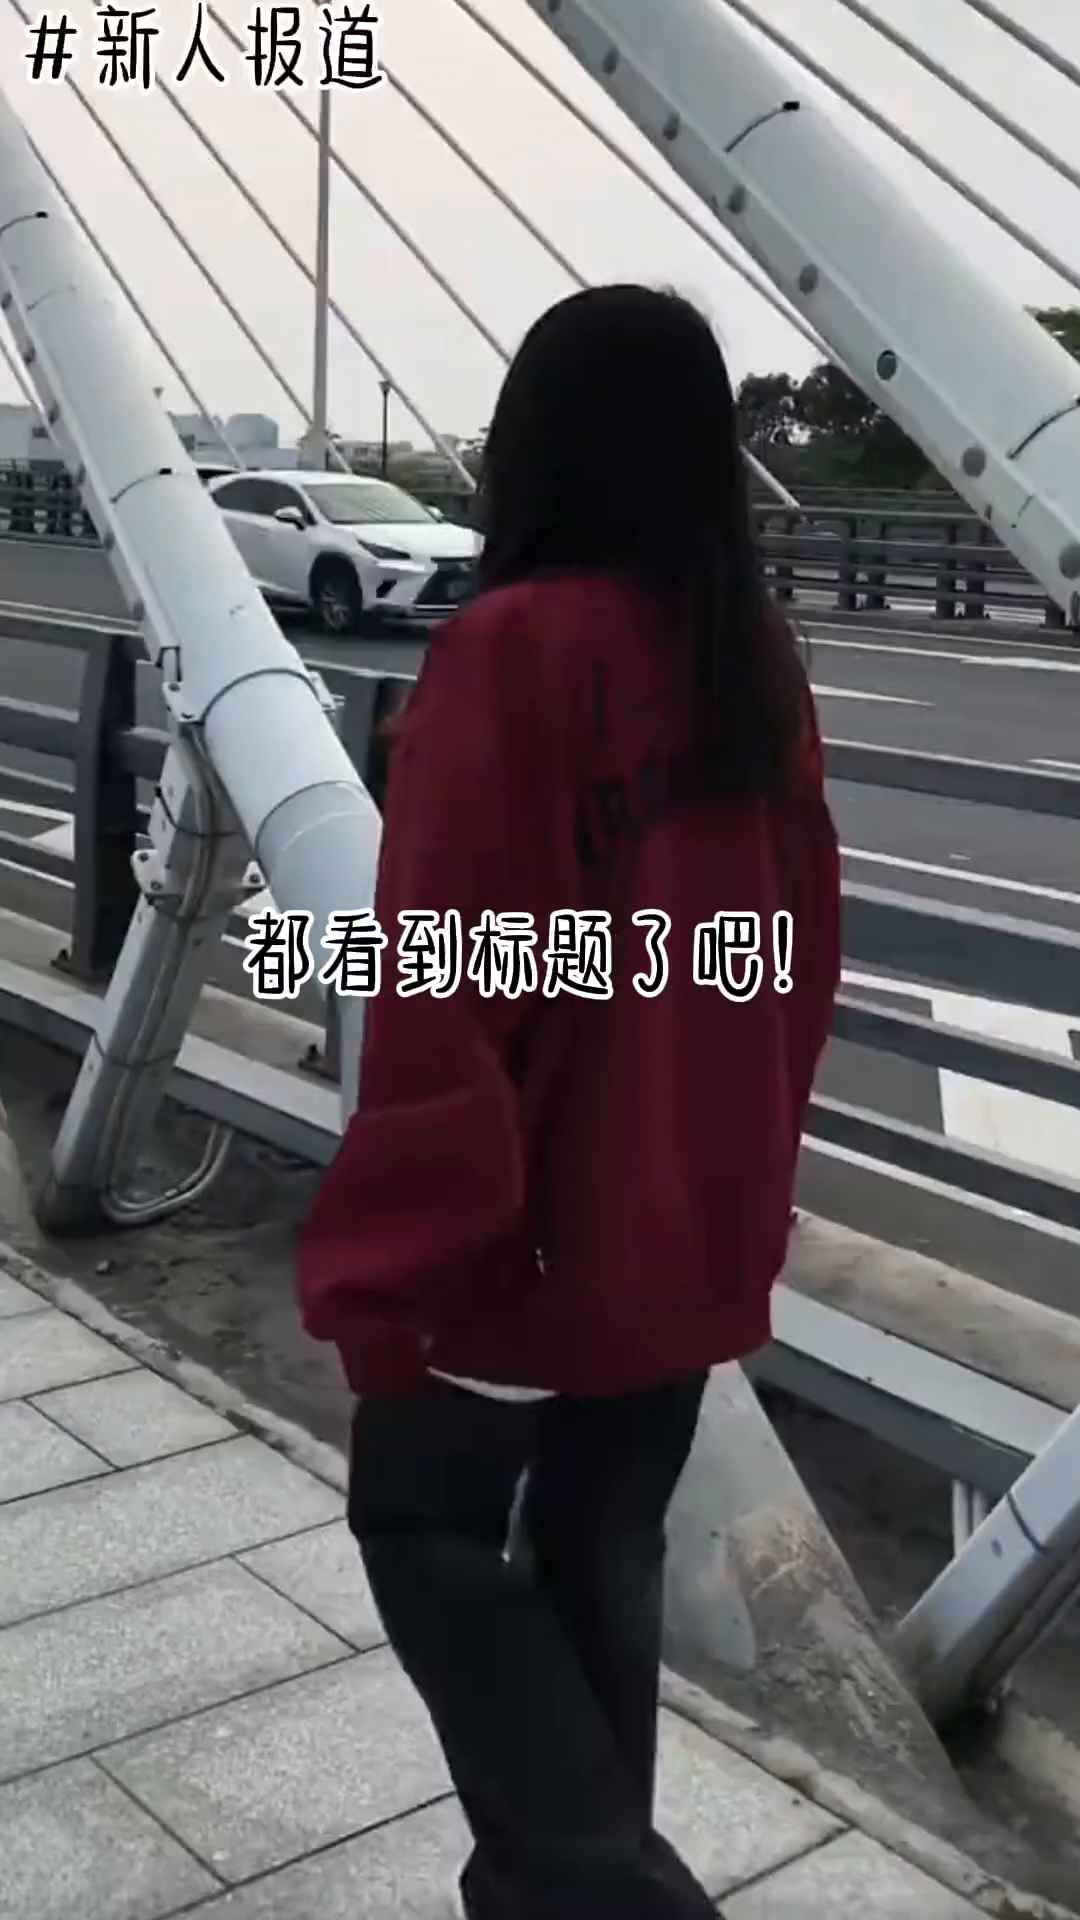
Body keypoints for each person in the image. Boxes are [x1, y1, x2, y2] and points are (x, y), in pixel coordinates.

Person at [297, 284, 841, 1919]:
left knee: (421, 1526)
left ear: (535, 443)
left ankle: (618, 1893)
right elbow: (796, 953)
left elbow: (445, 980)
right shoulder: (748, 651)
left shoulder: (509, 651)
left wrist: (392, 1265)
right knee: (602, 1553)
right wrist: (734, 1187)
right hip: (687, 1216)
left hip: (522, 1228)